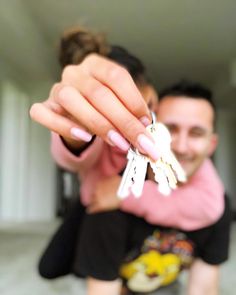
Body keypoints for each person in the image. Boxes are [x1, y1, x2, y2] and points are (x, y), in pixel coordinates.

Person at [29, 27, 229, 295]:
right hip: (94, 209)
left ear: (151, 98)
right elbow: (78, 164)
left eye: (195, 133)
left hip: (131, 210)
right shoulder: (101, 142)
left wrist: (126, 195)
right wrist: (74, 133)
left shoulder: (169, 147)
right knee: (51, 265)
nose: (181, 145)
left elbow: (208, 204)